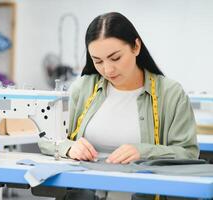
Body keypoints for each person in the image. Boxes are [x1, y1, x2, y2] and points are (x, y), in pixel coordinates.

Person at [38, 12, 199, 200]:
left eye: (115, 58)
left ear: (136, 47)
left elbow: (188, 153)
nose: (107, 69)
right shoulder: (83, 88)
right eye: (98, 61)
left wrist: (144, 151)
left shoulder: (170, 94)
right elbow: (46, 138)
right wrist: (69, 147)